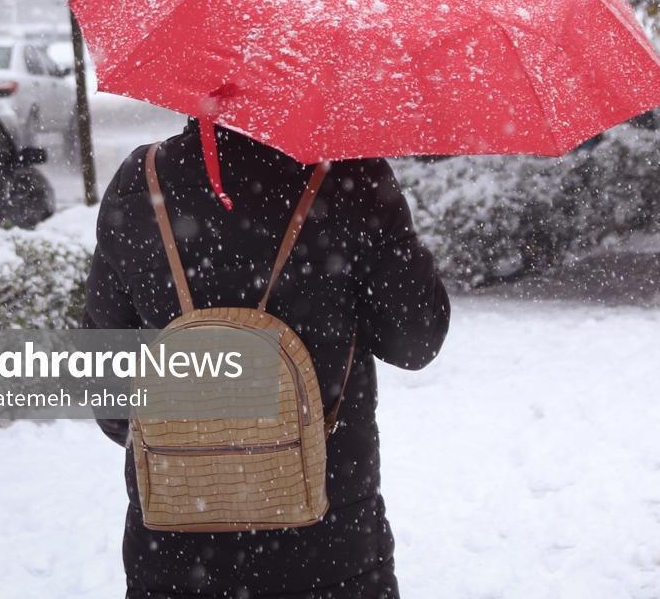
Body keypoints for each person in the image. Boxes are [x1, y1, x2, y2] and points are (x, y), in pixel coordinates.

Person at [84, 119, 450, 599]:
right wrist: (396, 236)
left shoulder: (143, 179)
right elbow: (415, 342)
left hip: (176, 549)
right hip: (329, 542)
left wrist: (204, 443)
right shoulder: (350, 177)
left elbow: (106, 388)